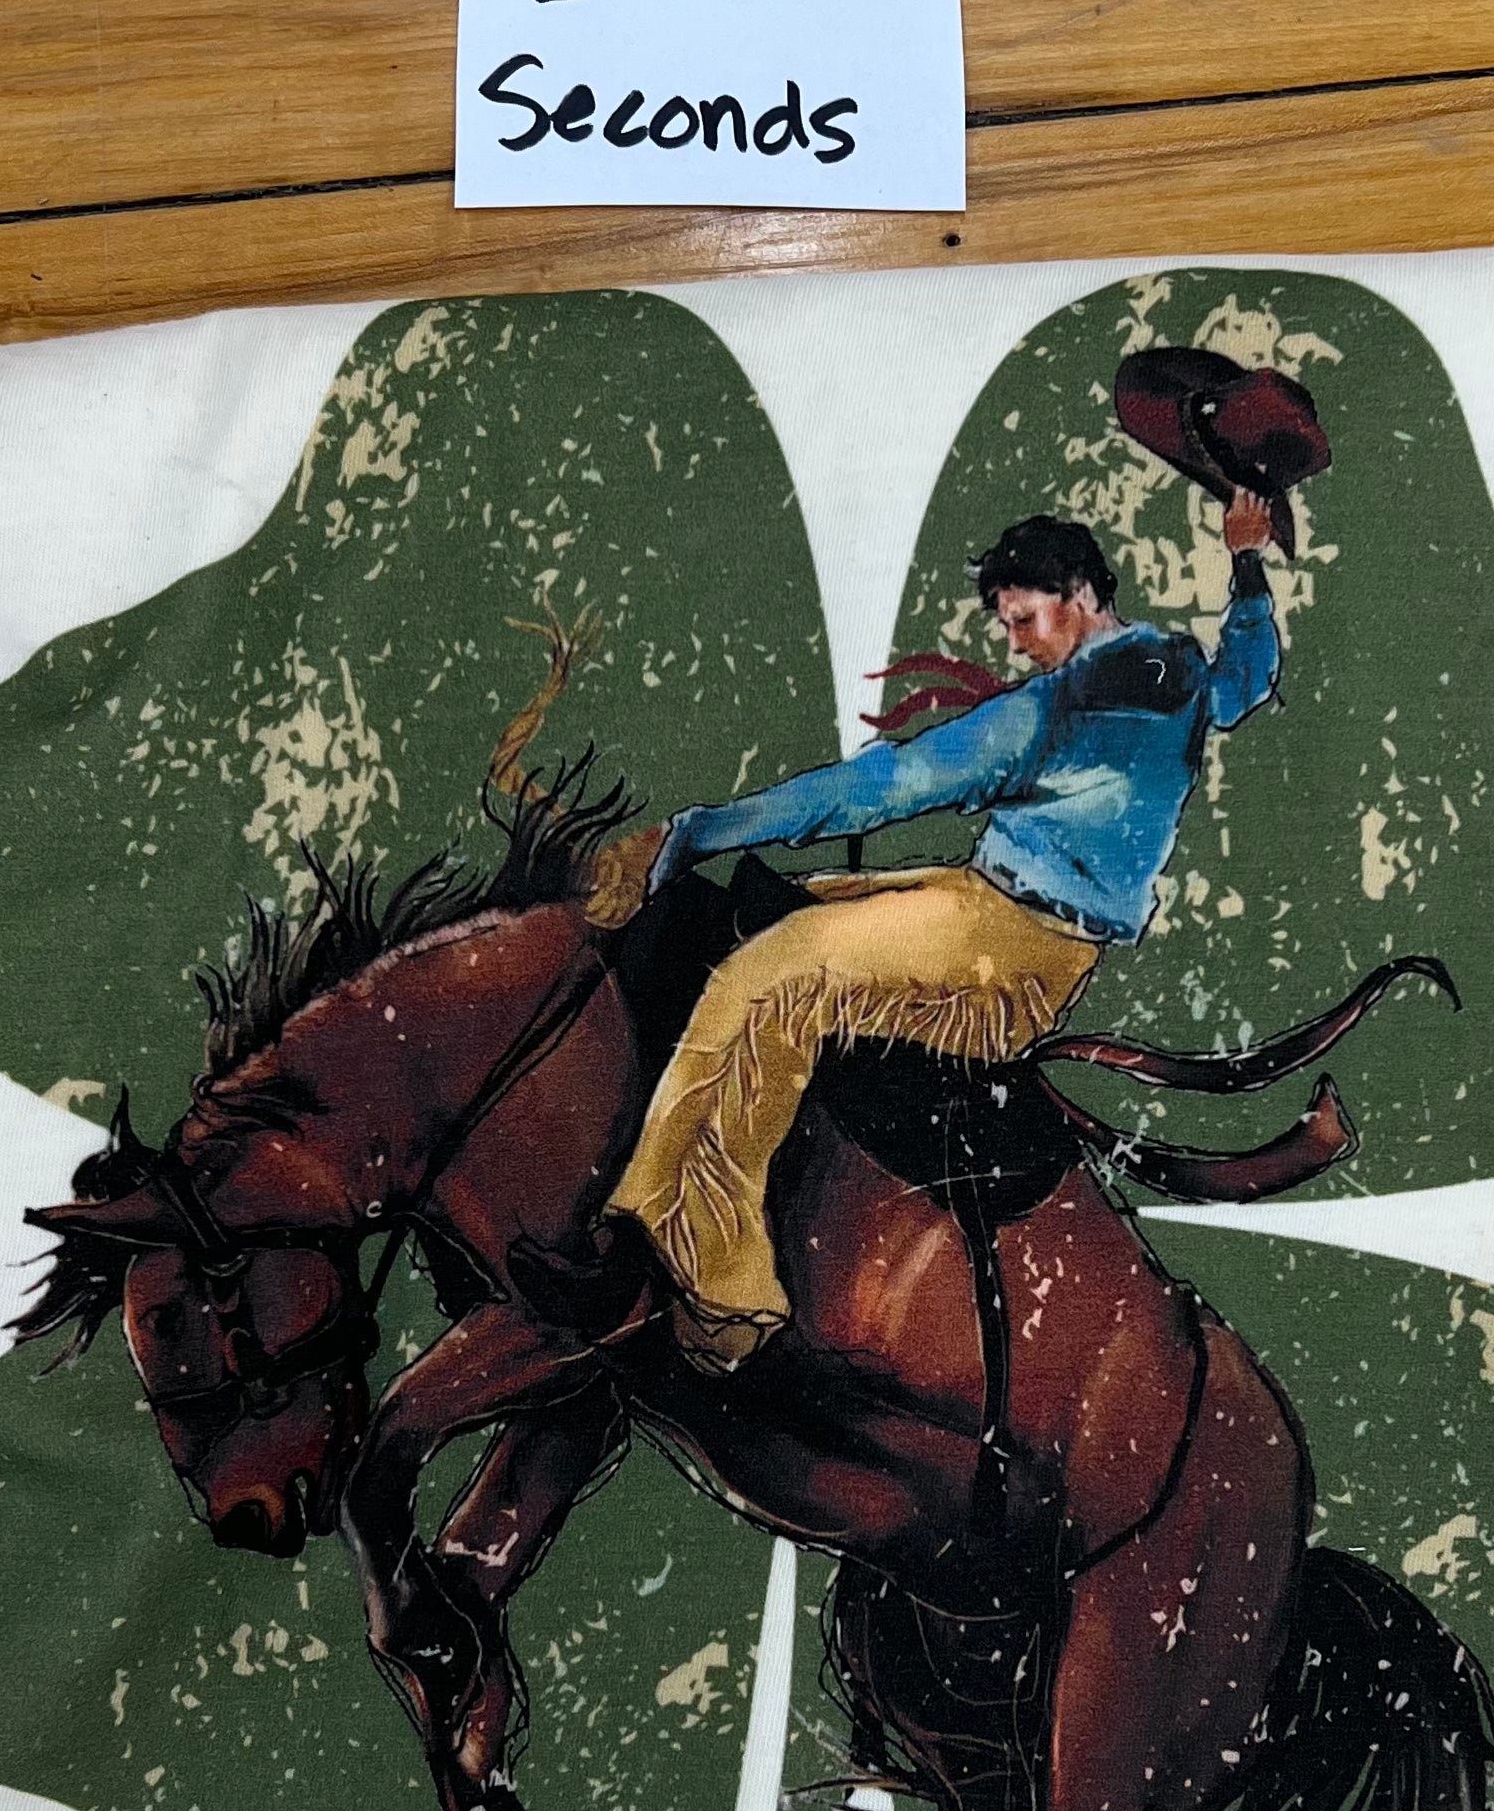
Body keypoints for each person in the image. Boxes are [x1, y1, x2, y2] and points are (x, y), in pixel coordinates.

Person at [524, 486, 1284, 1362]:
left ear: (1079, 593)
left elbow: (879, 788)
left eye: (1024, 619)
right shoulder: (1178, 673)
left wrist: (697, 832)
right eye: (1007, 624)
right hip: (990, 913)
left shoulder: (1048, 715)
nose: (1015, 642)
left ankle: (706, 1278)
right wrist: (1246, 561)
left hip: (1006, 950)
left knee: (764, 976)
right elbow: (1247, 678)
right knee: (776, 913)